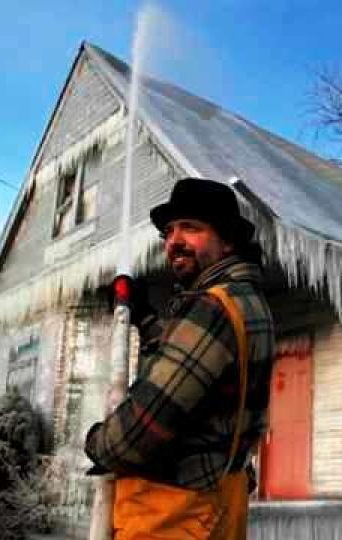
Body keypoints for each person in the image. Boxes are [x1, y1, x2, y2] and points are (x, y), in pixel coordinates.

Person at [85, 177, 275, 540]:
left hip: (173, 515)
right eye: (169, 231)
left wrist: (94, 442)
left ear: (228, 239)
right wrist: (144, 317)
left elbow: (136, 433)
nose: (174, 241)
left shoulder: (212, 308)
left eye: (191, 227)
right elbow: (196, 373)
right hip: (222, 499)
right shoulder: (245, 301)